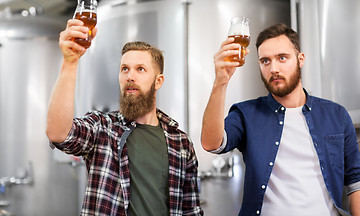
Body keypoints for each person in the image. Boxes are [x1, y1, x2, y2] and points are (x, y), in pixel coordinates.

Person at [46, 19, 203, 216]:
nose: (130, 76)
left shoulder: (181, 143)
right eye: (124, 69)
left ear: (158, 81)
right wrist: (70, 62)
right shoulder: (103, 128)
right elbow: (58, 133)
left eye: (140, 69)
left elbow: (191, 211)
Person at [201, 23, 360, 216]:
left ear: (300, 59)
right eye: (265, 61)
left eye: (282, 58)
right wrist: (221, 82)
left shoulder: (337, 115)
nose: (274, 68)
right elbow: (211, 144)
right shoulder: (246, 113)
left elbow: (355, 183)